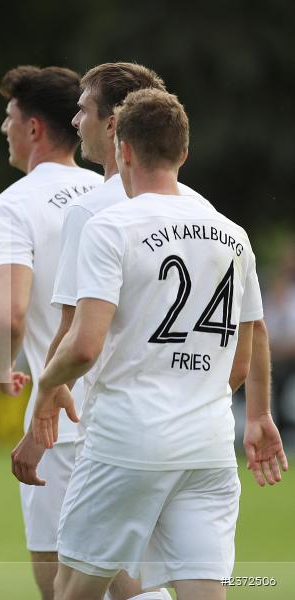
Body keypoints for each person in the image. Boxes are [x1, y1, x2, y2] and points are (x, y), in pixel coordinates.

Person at [31, 89, 287, 600]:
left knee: (73, 587)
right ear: (183, 153)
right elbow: (250, 340)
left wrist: (48, 383)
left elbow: (83, 346)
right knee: (202, 591)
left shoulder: (111, 227)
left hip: (127, 438)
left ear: (122, 149)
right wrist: (258, 416)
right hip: (209, 444)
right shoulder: (232, 234)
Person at [0, 65, 101, 600]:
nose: (2, 128)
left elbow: (10, 313)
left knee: (60, 578)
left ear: (33, 128)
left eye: (8, 118)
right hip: (122, 409)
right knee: (124, 570)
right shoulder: (112, 190)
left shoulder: (15, 204)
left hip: (60, 421)